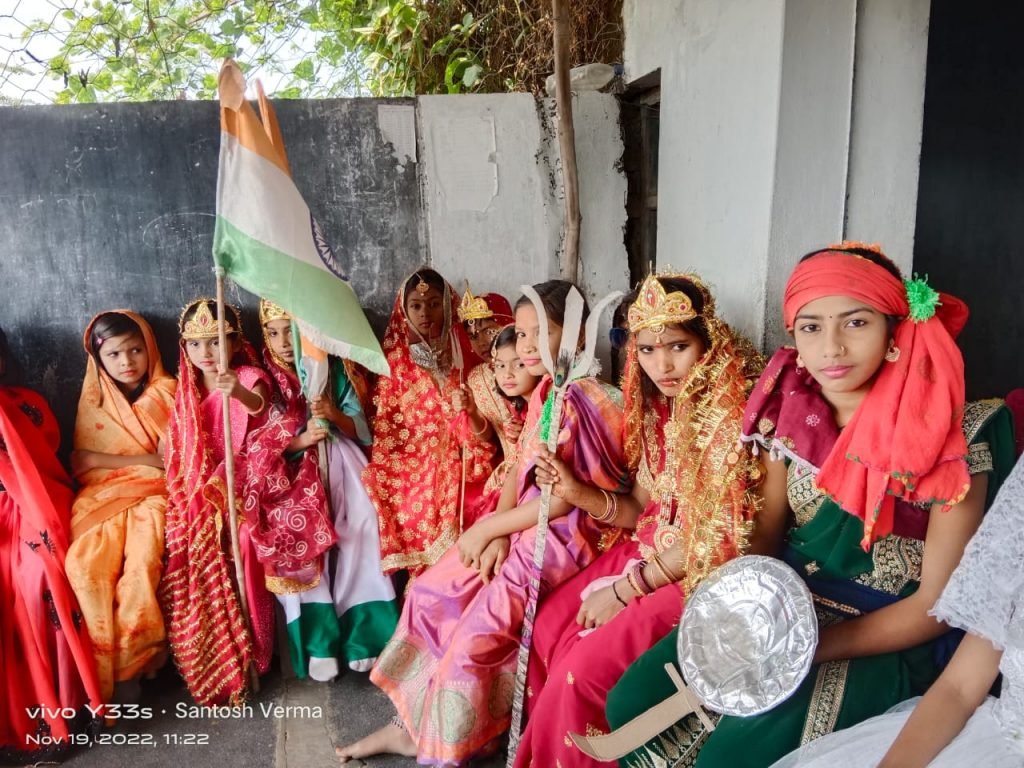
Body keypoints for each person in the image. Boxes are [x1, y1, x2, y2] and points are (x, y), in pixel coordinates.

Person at [604, 242, 1016, 768]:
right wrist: (740, 610)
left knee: (727, 758)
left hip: (882, 634)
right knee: (631, 706)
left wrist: (806, 649)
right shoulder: (794, 408)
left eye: (856, 323)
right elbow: (767, 535)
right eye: (811, 326)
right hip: (785, 607)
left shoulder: (957, 432)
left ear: (895, 328)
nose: (832, 348)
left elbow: (935, 606)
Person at [337, 279, 629, 766]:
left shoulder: (585, 398)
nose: (529, 345)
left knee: (472, 641)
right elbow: (518, 464)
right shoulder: (548, 392)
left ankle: (450, 743)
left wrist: (491, 531)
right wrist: (495, 530)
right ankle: (410, 726)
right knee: (431, 592)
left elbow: (560, 502)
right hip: (523, 525)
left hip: (560, 539)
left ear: (577, 335)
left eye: (543, 332)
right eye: (523, 331)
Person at [512, 273, 774, 768]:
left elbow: (718, 541)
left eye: (678, 346)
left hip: (700, 577)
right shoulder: (658, 410)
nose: (663, 365)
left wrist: (628, 588)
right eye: (648, 350)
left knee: (581, 675)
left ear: (708, 341)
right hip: (647, 552)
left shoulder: (734, 416)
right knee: (548, 626)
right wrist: (576, 492)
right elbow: (639, 509)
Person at [770, 452, 1024, 766]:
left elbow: (932, 606)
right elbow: (959, 687)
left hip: (899, 647)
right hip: (983, 740)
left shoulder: (963, 449)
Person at [250, 299, 397, 681]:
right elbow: (256, 439)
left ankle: (364, 633)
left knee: (364, 521)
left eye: (291, 329)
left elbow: (361, 429)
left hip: (340, 459)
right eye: (274, 332)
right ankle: (318, 642)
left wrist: (332, 414)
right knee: (293, 536)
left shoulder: (332, 368)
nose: (284, 341)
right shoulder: (264, 378)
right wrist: (298, 442)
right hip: (289, 475)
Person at [159, 298, 274, 705]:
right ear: (184, 348)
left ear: (235, 342)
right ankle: (217, 653)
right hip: (197, 490)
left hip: (246, 481)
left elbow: (261, 411)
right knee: (182, 544)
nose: (205, 354)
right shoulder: (185, 389)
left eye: (215, 343)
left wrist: (239, 393)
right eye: (195, 345)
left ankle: (257, 652)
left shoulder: (248, 376)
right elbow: (174, 446)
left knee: (243, 541)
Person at [0, 326, 103, 762]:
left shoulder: (27, 404)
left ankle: (64, 708)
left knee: (42, 577)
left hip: (33, 506)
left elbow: (45, 468)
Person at [64, 311, 176, 704]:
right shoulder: (94, 401)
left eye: (135, 350)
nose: (126, 361)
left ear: (150, 349)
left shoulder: (168, 393)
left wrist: (102, 459)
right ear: (99, 360)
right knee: (85, 565)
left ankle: (132, 663)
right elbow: (80, 464)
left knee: (141, 563)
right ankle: (100, 671)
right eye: (113, 354)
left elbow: (171, 463)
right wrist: (141, 460)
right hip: (102, 498)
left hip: (156, 495)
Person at [363, 268, 492, 575]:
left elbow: (489, 411)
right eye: (416, 306)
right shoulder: (393, 364)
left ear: (448, 306)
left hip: (470, 456)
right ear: (403, 311)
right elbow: (389, 433)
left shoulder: (465, 353)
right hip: (413, 467)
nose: (426, 313)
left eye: (434, 303)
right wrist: (434, 452)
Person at [454, 323, 540, 521]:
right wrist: (472, 411)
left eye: (489, 331)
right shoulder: (479, 378)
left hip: (532, 487)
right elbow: (489, 439)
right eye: (500, 365)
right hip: (509, 475)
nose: (507, 373)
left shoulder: (546, 401)